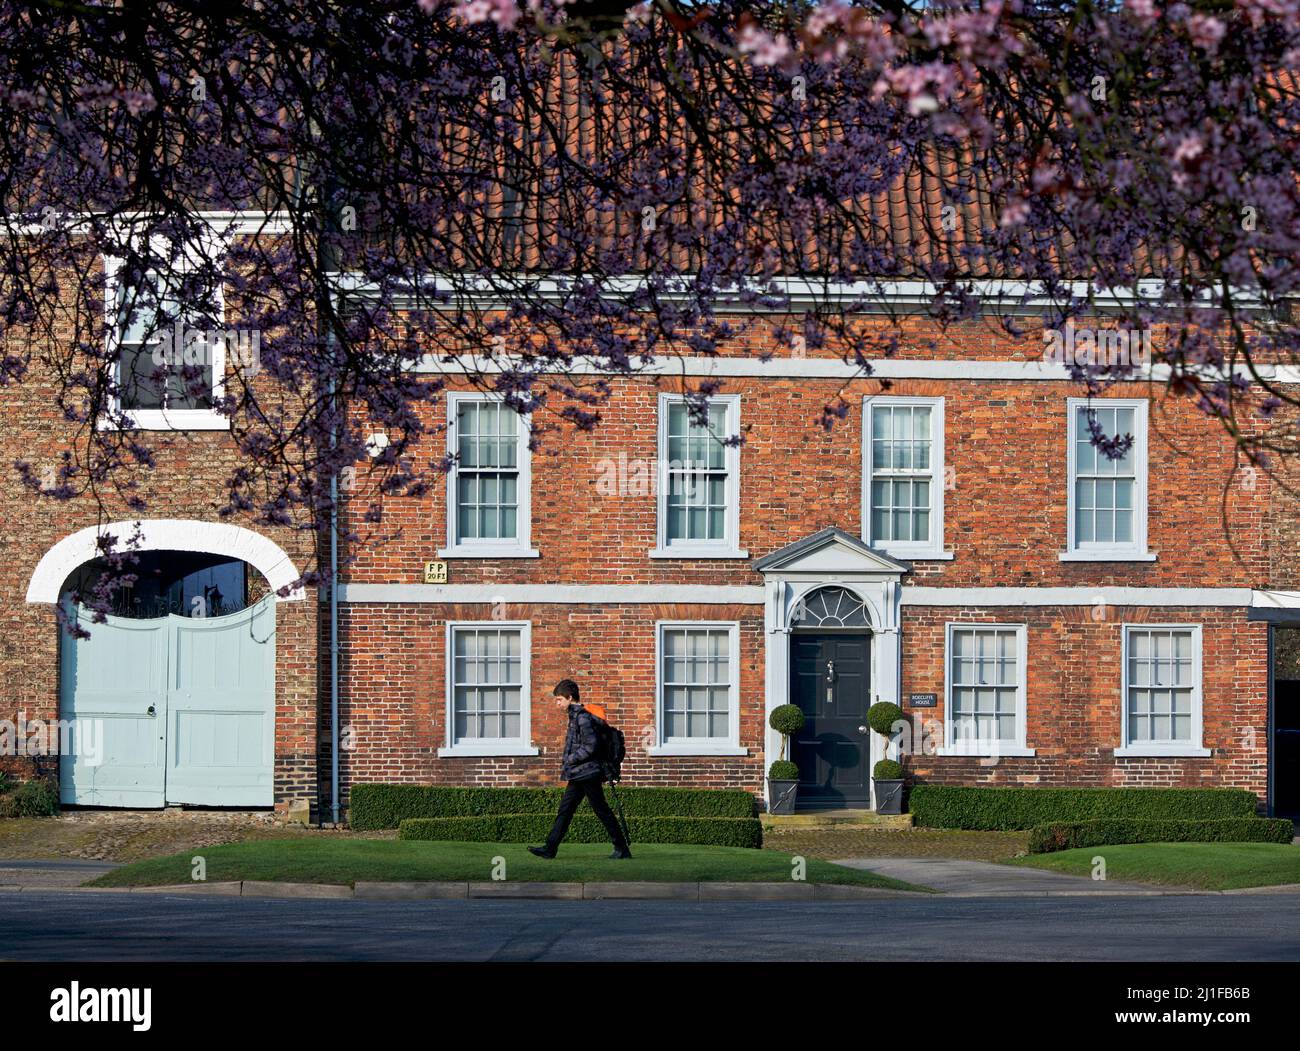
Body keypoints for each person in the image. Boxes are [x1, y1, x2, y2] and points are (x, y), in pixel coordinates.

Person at [529, 679, 632, 859]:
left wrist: (570, 758)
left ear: (570, 698)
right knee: (566, 810)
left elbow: (591, 746)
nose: (557, 703)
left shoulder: (582, 717)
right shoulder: (575, 716)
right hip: (580, 773)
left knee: (600, 810)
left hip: (587, 772)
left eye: (559, 699)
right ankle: (550, 848)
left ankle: (622, 848)